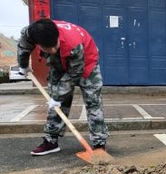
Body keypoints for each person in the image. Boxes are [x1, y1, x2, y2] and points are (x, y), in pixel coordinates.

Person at [17, 18, 109, 155]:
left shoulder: (74, 42)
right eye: (47, 48)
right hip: (58, 63)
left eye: (55, 45)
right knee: (56, 104)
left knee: (93, 103)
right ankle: (51, 141)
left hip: (87, 63)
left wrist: (58, 96)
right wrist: (23, 65)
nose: (52, 49)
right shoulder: (30, 33)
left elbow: (74, 74)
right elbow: (23, 46)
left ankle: (99, 143)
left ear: (58, 36)